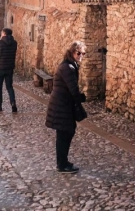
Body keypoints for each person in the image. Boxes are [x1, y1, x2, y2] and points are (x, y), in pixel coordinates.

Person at [45, 41, 87, 174]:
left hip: (62, 104)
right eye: (78, 53)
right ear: (72, 52)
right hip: (62, 105)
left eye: (83, 53)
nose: (81, 56)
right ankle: (62, 164)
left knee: (64, 133)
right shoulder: (68, 68)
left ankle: (62, 162)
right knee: (65, 133)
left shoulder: (69, 65)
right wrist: (81, 99)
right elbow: (73, 89)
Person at [0, 28, 18, 112]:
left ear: (4, 34)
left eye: (1, 33)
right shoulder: (14, 43)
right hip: (9, 67)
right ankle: (13, 103)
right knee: (9, 86)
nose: (1, 34)